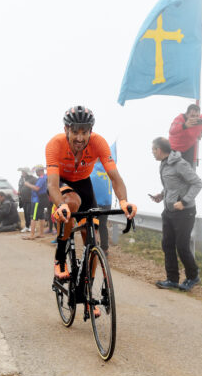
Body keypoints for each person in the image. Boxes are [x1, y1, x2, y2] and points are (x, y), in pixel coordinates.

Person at [46, 106, 137, 288]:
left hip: (84, 183)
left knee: (92, 239)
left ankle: (87, 289)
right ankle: (61, 257)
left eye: (84, 132)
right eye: (75, 132)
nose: (80, 138)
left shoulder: (98, 143)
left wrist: (124, 201)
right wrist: (60, 205)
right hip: (62, 182)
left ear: (90, 132)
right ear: (66, 130)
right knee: (71, 203)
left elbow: (115, 178)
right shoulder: (55, 144)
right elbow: (52, 185)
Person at [149, 137, 202, 292]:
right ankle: (172, 279)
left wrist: (184, 201)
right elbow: (172, 186)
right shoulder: (164, 164)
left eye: (153, 149)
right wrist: (161, 195)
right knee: (167, 245)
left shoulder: (180, 164)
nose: (152, 152)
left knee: (182, 246)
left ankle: (193, 276)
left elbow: (197, 183)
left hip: (184, 212)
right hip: (169, 211)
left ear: (159, 150)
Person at [23, 165, 49, 240]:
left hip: (36, 200)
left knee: (33, 217)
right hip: (41, 199)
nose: (36, 173)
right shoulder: (45, 177)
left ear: (40, 171)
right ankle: (41, 233)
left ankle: (32, 235)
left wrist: (28, 184)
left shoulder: (41, 178)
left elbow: (37, 188)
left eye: (37, 171)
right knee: (41, 216)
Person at [17, 167, 37, 233]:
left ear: (27, 172)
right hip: (24, 199)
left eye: (24, 172)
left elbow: (37, 188)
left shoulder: (33, 179)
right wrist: (19, 191)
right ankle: (27, 226)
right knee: (25, 213)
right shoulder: (21, 179)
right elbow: (19, 187)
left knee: (30, 213)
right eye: (22, 172)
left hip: (31, 199)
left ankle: (32, 227)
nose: (22, 173)